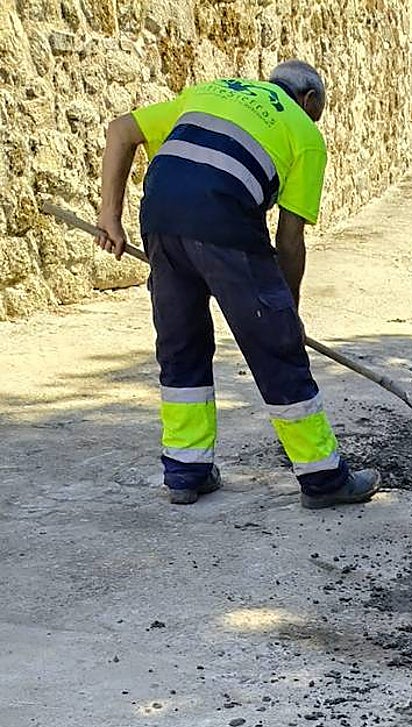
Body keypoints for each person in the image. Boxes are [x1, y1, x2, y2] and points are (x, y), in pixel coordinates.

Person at [95, 60, 381, 509]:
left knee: (181, 345)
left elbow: (120, 130)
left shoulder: (211, 91)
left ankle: (186, 472)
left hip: (161, 219)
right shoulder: (305, 135)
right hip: (225, 224)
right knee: (277, 353)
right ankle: (324, 480)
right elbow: (290, 239)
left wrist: (109, 215)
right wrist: (286, 314)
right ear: (308, 101)